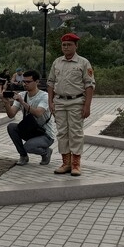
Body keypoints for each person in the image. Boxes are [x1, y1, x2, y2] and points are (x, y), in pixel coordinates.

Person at [47, 33, 95, 177]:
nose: (66, 47)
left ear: (76, 46)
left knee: (75, 133)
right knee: (62, 132)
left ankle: (75, 164)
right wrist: (50, 102)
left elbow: (89, 85)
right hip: (60, 102)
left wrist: (87, 106)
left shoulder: (83, 63)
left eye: (69, 45)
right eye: (64, 45)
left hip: (76, 102)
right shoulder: (57, 62)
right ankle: (65, 163)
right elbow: (50, 83)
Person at [2, 71, 56, 166]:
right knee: (11, 127)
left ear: (37, 82)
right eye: (24, 81)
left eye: (28, 82)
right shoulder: (22, 95)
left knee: (28, 146)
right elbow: (11, 115)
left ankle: (46, 152)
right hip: (31, 131)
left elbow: (38, 113)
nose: (25, 84)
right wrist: (6, 102)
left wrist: (22, 102)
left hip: (45, 134)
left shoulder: (44, 96)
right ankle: (23, 156)